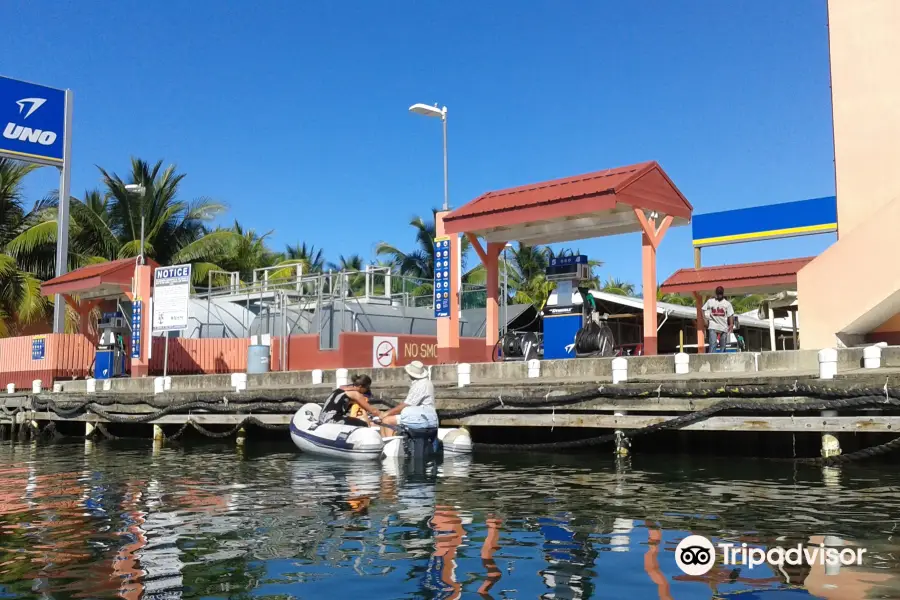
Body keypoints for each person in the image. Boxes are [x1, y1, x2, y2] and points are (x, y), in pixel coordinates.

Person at [380, 361, 439, 436]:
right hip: (423, 415)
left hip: (423, 417)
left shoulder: (420, 385)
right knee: (384, 421)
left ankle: (390, 445)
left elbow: (407, 404)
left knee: (386, 421)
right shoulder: (425, 382)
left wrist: (387, 413)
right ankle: (387, 443)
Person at [702, 286, 735, 353]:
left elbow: (730, 314)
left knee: (723, 345)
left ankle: (721, 360)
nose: (719, 295)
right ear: (716, 293)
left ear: (723, 293)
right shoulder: (710, 301)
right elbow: (703, 309)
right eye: (718, 293)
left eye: (721, 293)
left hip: (723, 326)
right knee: (713, 344)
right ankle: (711, 359)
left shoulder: (727, 304)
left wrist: (731, 324)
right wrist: (705, 320)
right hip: (713, 325)